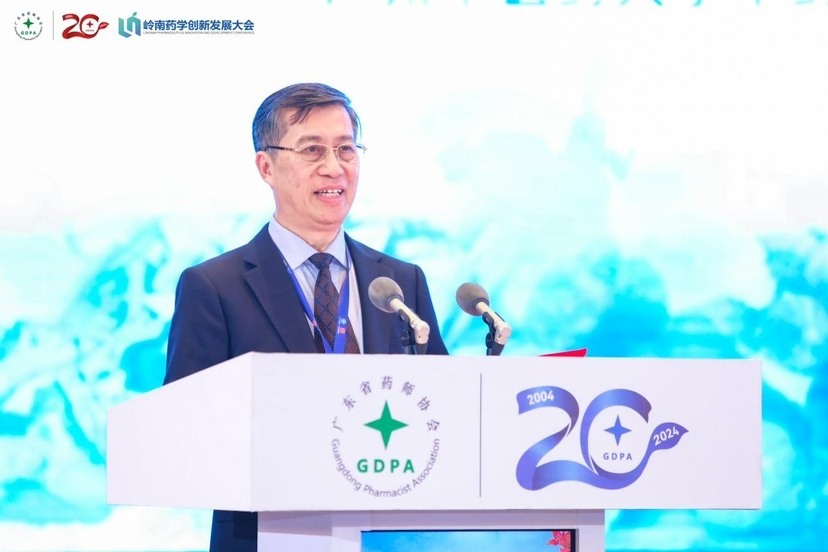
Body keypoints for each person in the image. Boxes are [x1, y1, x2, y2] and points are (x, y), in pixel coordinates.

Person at [164, 83, 448, 551]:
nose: (334, 167)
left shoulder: (400, 282)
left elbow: (441, 407)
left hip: (391, 535)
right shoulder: (214, 287)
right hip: (269, 535)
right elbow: (185, 431)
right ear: (266, 167)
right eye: (312, 149)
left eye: (346, 149)